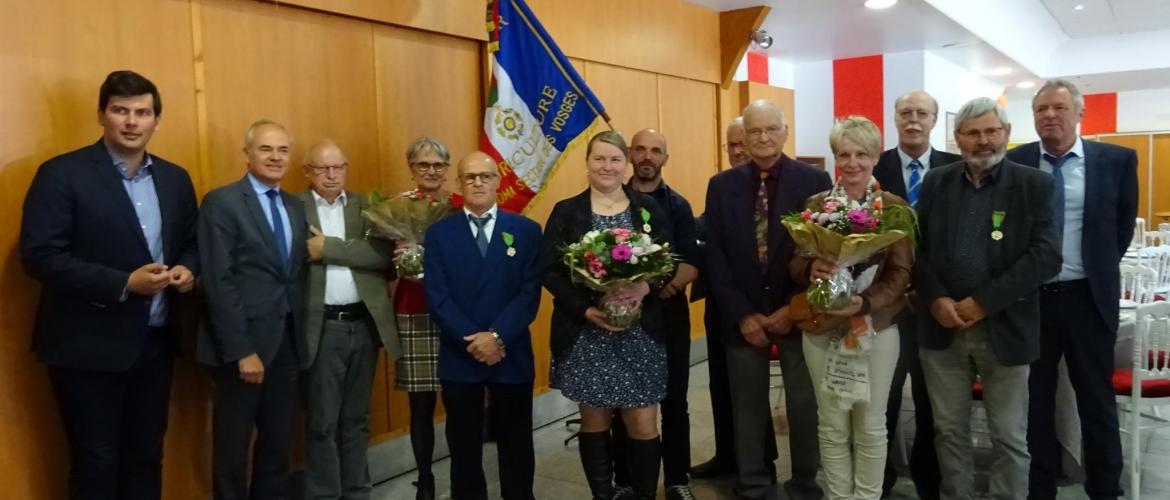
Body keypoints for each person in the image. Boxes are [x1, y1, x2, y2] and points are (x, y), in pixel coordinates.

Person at [20, 70, 198, 500]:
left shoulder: (175, 179)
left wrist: (187, 270)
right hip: (86, 346)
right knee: (95, 462)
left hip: (155, 344)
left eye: (143, 112)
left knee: (145, 455)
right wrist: (123, 283)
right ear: (102, 115)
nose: (132, 121)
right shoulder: (62, 174)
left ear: (157, 120)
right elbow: (40, 256)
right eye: (121, 110)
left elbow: (191, 242)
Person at [914, 97, 1061, 500]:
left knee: (1010, 436)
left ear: (1007, 134)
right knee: (948, 432)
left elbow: (1045, 255)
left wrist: (983, 302)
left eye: (991, 131)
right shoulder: (937, 182)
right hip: (942, 329)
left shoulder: (1035, 185)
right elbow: (917, 250)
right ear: (958, 137)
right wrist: (936, 300)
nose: (983, 141)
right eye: (973, 133)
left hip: (1005, 327)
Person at [1007, 79, 1137, 500]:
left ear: (1079, 113)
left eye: (1059, 107)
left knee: (1096, 401)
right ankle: (1039, 487)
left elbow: (1118, 231)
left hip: (1087, 299)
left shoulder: (1115, 161)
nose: (1049, 115)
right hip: (1033, 300)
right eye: (1041, 108)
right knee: (1035, 401)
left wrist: (1091, 270)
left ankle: (1104, 488)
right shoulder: (1017, 162)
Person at [705, 100, 831, 500]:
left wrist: (790, 310)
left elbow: (821, 252)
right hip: (741, 314)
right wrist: (742, 314)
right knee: (747, 407)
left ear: (785, 131)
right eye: (754, 131)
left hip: (796, 312)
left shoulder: (814, 181)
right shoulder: (721, 185)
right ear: (743, 136)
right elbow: (715, 255)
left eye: (770, 129)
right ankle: (753, 481)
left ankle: (805, 481)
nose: (762, 138)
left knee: (803, 404)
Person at [542, 131, 672, 500]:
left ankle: (644, 495)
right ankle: (603, 495)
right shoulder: (567, 211)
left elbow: (667, 262)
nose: (607, 166)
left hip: (640, 333)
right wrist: (585, 308)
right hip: (588, 332)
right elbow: (549, 269)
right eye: (599, 158)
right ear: (587, 163)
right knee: (594, 419)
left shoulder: (647, 208)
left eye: (615, 159)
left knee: (644, 423)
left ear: (626, 162)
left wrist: (645, 287)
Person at [790, 116, 912, 500]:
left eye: (862, 154)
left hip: (875, 327)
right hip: (823, 327)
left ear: (876, 157)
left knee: (872, 425)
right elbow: (794, 261)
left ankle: (867, 497)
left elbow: (902, 273)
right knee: (831, 424)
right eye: (845, 154)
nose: (853, 163)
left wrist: (864, 302)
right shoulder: (816, 205)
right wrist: (812, 267)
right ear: (835, 158)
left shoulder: (893, 208)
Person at [197, 120, 308, 500]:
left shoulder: (294, 205)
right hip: (241, 348)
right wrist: (243, 350)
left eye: (282, 150)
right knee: (232, 449)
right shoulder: (222, 202)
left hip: (287, 344)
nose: (275, 157)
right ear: (247, 154)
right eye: (266, 149)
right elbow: (218, 280)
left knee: (277, 446)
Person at [423, 151, 543, 500]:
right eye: (469, 176)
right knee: (463, 446)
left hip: (511, 351)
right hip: (461, 355)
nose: (477, 182)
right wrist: (474, 341)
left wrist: (497, 337)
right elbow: (438, 296)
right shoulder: (439, 234)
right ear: (458, 184)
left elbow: (529, 292)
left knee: (516, 442)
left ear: (498, 182)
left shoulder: (526, 230)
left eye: (485, 176)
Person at [300, 140, 402, 499]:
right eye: (322, 168)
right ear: (307, 172)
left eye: (338, 167)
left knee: (357, 419)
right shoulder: (293, 209)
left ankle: (357, 491)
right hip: (321, 328)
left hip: (364, 326)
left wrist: (326, 248)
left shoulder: (368, 209)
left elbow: (379, 254)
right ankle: (324, 494)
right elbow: (296, 253)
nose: (331, 175)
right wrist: (346, 251)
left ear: (346, 168)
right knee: (322, 421)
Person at [872, 90, 959, 500]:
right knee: (883, 400)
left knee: (932, 404)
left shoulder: (955, 169)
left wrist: (929, 290)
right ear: (894, 117)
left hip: (935, 306)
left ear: (934, 120)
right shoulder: (874, 166)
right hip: (885, 305)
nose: (913, 119)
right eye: (905, 112)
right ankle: (881, 479)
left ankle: (929, 482)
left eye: (922, 113)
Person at [690, 117, 781, 483]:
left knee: (753, 390)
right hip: (725, 304)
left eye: (744, 141)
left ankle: (763, 460)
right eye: (732, 144)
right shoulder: (722, 187)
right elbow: (711, 238)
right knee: (723, 385)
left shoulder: (784, 183)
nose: (739, 149)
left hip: (775, 306)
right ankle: (729, 454)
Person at [622, 128, 700, 500]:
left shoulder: (678, 206)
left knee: (674, 400)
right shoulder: (612, 202)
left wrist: (655, 288)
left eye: (656, 150)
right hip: (622, 318)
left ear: (665, 158)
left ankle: (677, 479)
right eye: (641, 149)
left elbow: (690, 265)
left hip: (669, 316)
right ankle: (626, 481)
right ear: (629, 155)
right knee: (624, 398)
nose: (647, 156)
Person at [392, 137, 460, 500]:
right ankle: (425, 478)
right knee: (420, 402)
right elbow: (380, 265)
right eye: (423, 165)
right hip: (413, 310)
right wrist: (399, 255)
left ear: (448, 169)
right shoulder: (395, 208)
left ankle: (460, 473)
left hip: (455, 312)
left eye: (438, 165)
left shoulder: (461, 206)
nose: (431, 171)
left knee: (457, 398)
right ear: (411, 168)